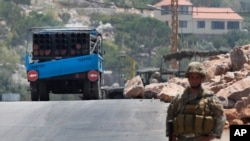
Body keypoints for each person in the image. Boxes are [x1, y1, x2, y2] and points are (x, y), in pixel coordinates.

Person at [166, 62, 226, 141]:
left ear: (201, 78)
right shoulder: (179, 98)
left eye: (197, 77)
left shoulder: (209, 97)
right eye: (192, 77)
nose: (194, 80)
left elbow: (221, 116)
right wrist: (171, 135)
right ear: (188, 78)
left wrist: (212, 136)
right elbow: (170, 116)